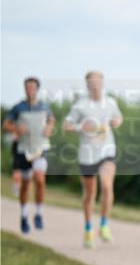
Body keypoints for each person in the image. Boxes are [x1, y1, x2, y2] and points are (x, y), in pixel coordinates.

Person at [63, 71, 123, 248]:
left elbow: (119, 116)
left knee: (106, 186)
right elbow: (66, 126)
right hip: (87, 154)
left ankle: (104, 224)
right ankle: (89, 229)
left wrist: (117, 122)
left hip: (107, 150)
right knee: (90, 194)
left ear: (103, 82)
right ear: (87, 84)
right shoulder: (80, 105)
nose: (95, 84)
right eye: (91, 82)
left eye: (98, 81)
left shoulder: (110, 101)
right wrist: (81, 126)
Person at [3, 77, 55, 234]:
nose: (30, 89)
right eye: (27, 87)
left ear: (37, 89)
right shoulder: (18, 107)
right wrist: (15, 129)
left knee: (39, 179)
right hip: (23, 149)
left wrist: (49, 128)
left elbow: (51, 121)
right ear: (24, 89)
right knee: (25, 185)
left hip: (40, 148)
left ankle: (38, 214)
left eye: (32, 87)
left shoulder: (44, 106)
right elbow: (5, 125)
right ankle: (24, 216)